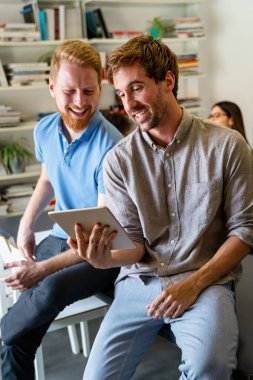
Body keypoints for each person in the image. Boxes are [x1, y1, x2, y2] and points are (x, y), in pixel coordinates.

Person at [68, 35, 253, 380]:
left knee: (210, 369)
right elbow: (135, 243)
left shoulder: (227, 146)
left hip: (205, 280)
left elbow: (246, 230)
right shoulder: (118, 161)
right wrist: (105, 258)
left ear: (168, 80)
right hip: (140, 283)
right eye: (121, 94)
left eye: (136, 88)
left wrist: (193, 284)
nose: (128, 104)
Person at [0, 39, 122, 379]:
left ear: (101, 86)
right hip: (60, 236)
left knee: (45, 288)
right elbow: (47, 179)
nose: (81, 102)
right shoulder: (44, 129)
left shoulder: (112, 147)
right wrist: (25, 224)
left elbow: (103, 231)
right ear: (52, 88)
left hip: (101, 252)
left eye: (89, 90)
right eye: (69, 91)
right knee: (20, 338)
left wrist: (41, 270)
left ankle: (1, 329)